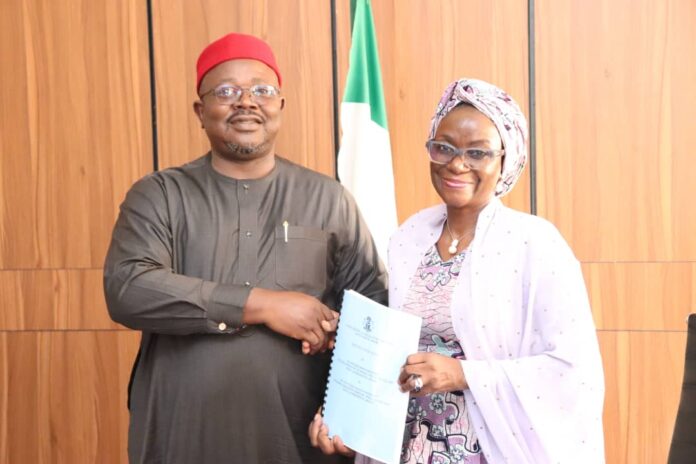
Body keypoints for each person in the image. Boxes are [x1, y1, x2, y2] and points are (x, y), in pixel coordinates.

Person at [104, 32, 387, 464]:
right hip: (181, 436)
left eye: (262, 90)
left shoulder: (328, 198)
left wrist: (347, 407)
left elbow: (373, 311)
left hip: (298, 440)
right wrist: (263, 304)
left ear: (280, 106)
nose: (247, 102)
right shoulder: (159, 194)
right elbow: (130, 289)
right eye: (226, 91)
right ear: (201, 111)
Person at [309, 78, 605, 463]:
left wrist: (463, 374)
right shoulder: (409, 237)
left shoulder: (536, 244)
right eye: (443, 147)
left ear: (505, 159)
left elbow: (573, 372)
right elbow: (394, 352)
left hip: (490, 450)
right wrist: (349, 410)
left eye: (478, 152)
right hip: (405, 449)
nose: (457, 163)